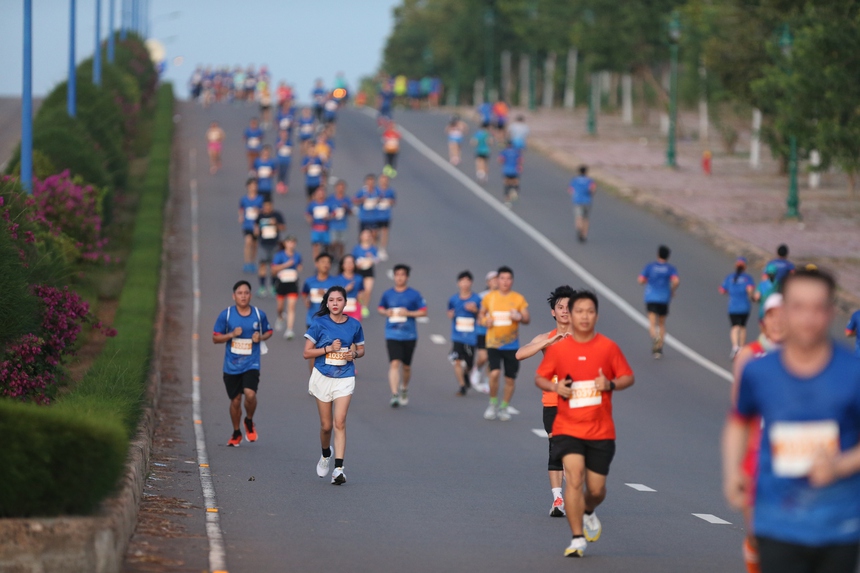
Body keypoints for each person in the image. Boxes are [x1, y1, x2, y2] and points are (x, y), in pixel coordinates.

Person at [722, 266, 860, 573]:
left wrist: (840, 465)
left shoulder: (853, 373)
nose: (808, 319)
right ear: (784, 311)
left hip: (839, 523)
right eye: (798, 307)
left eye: (817, 308)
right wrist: (733, 472)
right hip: (778, 520)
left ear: (831, 313)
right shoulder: (760, 372)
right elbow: (738, 421)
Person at [534, 290, 635, 557]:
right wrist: (558, 388)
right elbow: (541, 377)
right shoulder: (558, 346)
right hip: (566, 423)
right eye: (575, 310)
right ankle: (577, 537)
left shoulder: (607, 348)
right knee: (574, 477)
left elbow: (627, 377)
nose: (580, 315)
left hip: (598, 426)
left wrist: (610, 384)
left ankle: (589, 510)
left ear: (594, 316)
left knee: (597, 489)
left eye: (586, 311)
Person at [726, 293, 785, 573]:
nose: (778, 321)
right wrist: (736, 468)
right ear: (763, 320)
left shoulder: (803, 354)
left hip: (791, 454)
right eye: (772, 315)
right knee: (757, 533)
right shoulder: (750, 355)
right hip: (756, 454)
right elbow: (740, 412)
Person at [517, 285, 577, 518]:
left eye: (568, 307)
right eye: (560, 307)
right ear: (553, 312)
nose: (564, 311)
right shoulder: (545, 338)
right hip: (552, 403)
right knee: (556, 450)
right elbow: (520, 354)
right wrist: (547, 344)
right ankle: (558, 499)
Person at [303, 285, 365, 485]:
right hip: (322, 376)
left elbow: (362, 349)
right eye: (331, 300)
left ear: (345, 302)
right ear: (327, 303)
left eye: (339, 300)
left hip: (345, 376)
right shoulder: (319, 323)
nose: (335, 303)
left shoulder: (354, 325)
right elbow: (307, 353)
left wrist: (353, 354)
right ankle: (325, 454)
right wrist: (328, 348)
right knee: (326, 425)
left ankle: (338, 469)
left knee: (340, 421)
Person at [212, 280, 273, 446]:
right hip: (231, 365)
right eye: (240, 293)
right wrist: (231, 334)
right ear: (234, 296)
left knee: (250, 394)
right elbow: (215, 338)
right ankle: (236, 432)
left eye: (246, 293)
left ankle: (249, 420)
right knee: (236, 400)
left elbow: (268, 331)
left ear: (250, 295)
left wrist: (260, 337)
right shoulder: (227, 315)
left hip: (251, 363)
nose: (243, 296)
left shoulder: (259, 315)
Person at [479, 266, 530, 421]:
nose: (505, 282)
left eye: (508, 279)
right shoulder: (490, 297)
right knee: (494, 373)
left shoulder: (518, 298)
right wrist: (484, 321)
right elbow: (481, 314)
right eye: (502, 278)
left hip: (512, 345)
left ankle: (504, 407)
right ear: (497, 280)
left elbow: (527, 318)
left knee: (510, 379)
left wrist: (519, 317)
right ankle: (493, 402)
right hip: (493, 343)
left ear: (512, 281)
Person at [378, 264, 428, 407]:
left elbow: (424, 311)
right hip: (392, 333)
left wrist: (409, 313)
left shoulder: (414, 294)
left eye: (402, 275)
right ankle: (394, 394)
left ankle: (404, 387)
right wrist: (385, 312)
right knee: (394, 363)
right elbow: (380, 307)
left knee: (406, 366)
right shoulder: (388, 294)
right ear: (394, 276)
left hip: (409, 334)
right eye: (397, 274)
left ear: (407, 277)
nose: (399, 277)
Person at [638, 245, 680, 359]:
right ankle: (659, 347)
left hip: (651, 297)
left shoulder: (650, 267)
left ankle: (655, 338)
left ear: (658, 254)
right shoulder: (670, 269)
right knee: (661, 323)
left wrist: (647, 281)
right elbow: (676, 281)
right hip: (664, 298)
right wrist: (672, 290)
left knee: (652, 323)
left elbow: (641, 280)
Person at [447, 271, 482, 396]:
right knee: (457, 360)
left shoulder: (477, 299)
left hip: (471, 336)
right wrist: (450, 315)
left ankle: (466, 374)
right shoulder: (453, 299)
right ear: (458, 283)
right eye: (462, 281)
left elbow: (482, 315)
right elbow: (450, 311)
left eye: (467, 281)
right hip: (457, 336)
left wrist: (475, 310)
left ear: (471, 283)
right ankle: (462, 386)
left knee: (469, 363)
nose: (465, 284)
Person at [720, 257, 756, 359]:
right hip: (745, 306)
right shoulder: (747, 278)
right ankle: (741, 347)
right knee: (743, 327)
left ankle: (735, 346)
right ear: (745, 267)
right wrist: (752, 297)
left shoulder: (729, 278)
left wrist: (731, 293)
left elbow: (722, 290)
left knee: (734, 326)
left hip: (733, 306)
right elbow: (750, 289)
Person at [470, 271, 498, 393]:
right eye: (493, 279)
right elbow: (475, 311)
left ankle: (488, 381)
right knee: (483, 357)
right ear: (488, 282)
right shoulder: (481, 296)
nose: (496, 281)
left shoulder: (503, 297)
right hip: (482, 331)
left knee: (492, 358)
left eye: (498, 279)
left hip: (497, 332)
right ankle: (477, 369)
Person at [272, 236, 303, 340]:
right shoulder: (279, 255)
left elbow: (299, 266)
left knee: (291, 306)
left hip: (292, 283)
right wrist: (286, 265)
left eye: (293, 242)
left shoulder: (297, 255)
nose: (291, 244)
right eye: (289, 242)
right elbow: (274, 269)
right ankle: (280, 317)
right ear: (285, 243)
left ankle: (289, 329)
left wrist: (298, 269)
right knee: (280, 307)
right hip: (282, 282)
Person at [302, 253, 340, 331]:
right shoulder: (310, 281)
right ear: (317, 264)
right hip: (312, 320)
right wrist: (306, 301)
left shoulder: (335, 282)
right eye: (323, 262)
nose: (326, 264)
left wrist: (326, 295)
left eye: (328, 262)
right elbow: (304, 293)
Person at [255, 201, 285, 297]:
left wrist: (275, 224)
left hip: (274, 244)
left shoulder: (277, 215)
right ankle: (262, 287)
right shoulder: (260, 216)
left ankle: (273, 287)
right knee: (262, 266)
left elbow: (283, 228)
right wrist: (257, 230)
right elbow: (255, 229)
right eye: (265, 206)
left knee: (274, 267)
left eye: (269, 206)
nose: (267, 208)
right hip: (263, 244)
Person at [239, 178, 263, 273]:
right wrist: (240, 216)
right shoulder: (244, 199)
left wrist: (258, 211)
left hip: (257, 225)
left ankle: (252, 262)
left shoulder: (260, 198)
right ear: (248, 187)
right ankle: (246, 262)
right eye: (252, 185)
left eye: (255, 185)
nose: (254, 187)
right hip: (247, 225)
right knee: (248, 242)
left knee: (255, 244)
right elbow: (241, 208)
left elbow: (264, 211)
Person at [353, 229, 379, 319]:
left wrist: (371, 258)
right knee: (360, 291)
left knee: (368, 290)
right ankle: (359, 305)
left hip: (369, 271)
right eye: (365, 235)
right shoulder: (357, 248)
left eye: (368, 235)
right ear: (361, 237)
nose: (367, 236)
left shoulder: (373, 248)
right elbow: (353, 260)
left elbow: (377, 260)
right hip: (359, 271)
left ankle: (365, 307)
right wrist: (358, 264)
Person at [569, 166, 597, 243]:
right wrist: (590, 194)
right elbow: (593, 189)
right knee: (586, 218)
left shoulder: (575, 180)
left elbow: (571, 190)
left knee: (578, 217)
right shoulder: (589, 181)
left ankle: (579, 228)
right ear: (586, 172)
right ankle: (584, 234)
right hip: (587, 201)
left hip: (577, 201)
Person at [328, 180, 352, 262]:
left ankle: (340, 258)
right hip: (333, 224)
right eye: (339, 187)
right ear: (336, 188)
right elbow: (326, 211)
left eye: (342, 188)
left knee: (342, 243)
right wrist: (332, 215)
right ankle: (333, 253)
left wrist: (346, 208)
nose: (340, 189)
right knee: (333, 242)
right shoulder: (331, 199)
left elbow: (351, 212)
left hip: (343, 224)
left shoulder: (347, 199)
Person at [306, 186, 333, 260]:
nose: (320, 195)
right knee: (316, 246)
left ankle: (326, 260)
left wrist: (328, 216)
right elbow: (307, 213)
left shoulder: (328, 203)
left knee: (326, 246)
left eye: (322, 193)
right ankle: (316, 262)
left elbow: (333, 213)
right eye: (319, 193)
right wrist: (309, 219)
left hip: (325, 228)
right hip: (316, 228)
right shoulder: (312, 204)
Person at [338, 255, 365, 322]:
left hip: (354, 306)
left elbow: (361, 292)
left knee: (354, 329)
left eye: (351, 262)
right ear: (342, 265)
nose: (349, 265)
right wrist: (346, 290)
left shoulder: (359, 278)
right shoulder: (337, 279)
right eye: (347, 263)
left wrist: (361, 300)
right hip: (342, 307)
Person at [354, 174, 381, 240]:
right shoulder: (362, 191)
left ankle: (373, 248)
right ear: (366, 182)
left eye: (372, 182)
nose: (370, 184)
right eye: (369, 182)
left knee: (374, 235)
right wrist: (361, 200)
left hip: (374, 217)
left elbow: (382, 199)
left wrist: (378, 201)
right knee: (363, 236)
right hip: (364, 218)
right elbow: (354, 200)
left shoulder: (377, 191)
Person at [375, 174, 396, 261]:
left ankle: (382, 249)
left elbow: (393, 201)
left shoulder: (390, 191)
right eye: (382, 180)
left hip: (386, 215)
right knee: (375, 233)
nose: (384, 182)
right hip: (376, 215)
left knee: (384, 232)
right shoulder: (376, 190)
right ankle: (376, 247)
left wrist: (389, 201)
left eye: (386, 180)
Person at [498, 140, 522, 208]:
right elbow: (520, 160)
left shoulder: (504, 152)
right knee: (515, 182)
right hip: (514, 170)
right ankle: (514, 191)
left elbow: (500, 160)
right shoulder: (516, 152)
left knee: (506, 185)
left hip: (507, 170)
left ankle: (507, 201)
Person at [275, 128, 293, 195]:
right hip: (280, 160)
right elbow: (277, 147)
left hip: (287, 160)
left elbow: (291, 151)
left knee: (286, 174)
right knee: (280, 173)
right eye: (282, 134)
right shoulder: (278, 141)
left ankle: (285, 186)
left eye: (285, 134)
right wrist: (281, 143)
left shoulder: (289, 142)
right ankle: (279, 184)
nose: (284, 136)